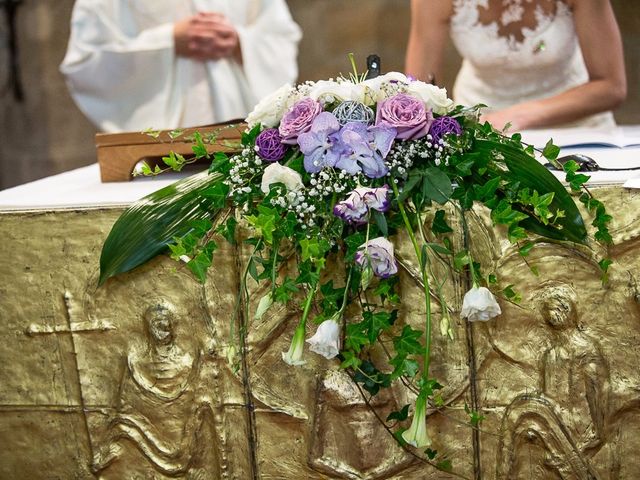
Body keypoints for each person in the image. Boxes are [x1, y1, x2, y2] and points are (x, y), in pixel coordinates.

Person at [60, 0, 301, 133]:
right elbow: (87, 61)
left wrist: (238, 42)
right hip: (161, 149)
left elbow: (280, 37)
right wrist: (168, 41)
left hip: (242, 134)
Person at [405, 0, 627, 130]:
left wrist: (520, 115)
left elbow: (611, 86)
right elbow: (416, 94)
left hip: (579, 125)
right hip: (485, 125)